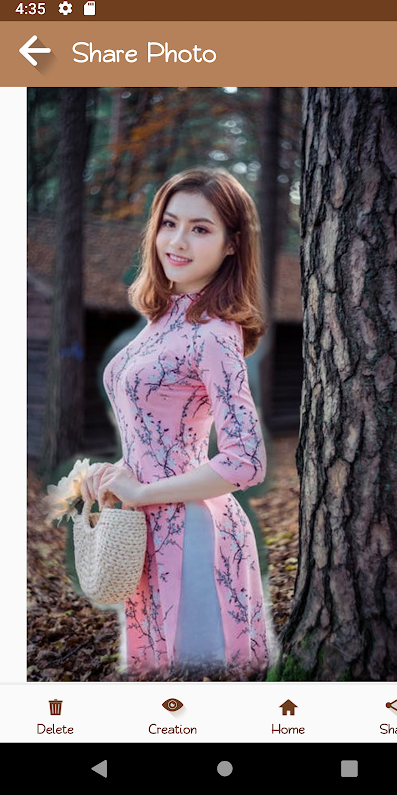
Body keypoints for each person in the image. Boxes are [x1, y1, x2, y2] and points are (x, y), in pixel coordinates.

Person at [82, 167, 270, 679]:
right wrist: (117, 472)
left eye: (200, 228)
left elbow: (246, 462)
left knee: (194, 688)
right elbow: (154, 432)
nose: (178, 241)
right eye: (169, 223)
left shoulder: (214, 333)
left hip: (191, 534)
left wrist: (143, 491)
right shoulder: (163, 320)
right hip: (144, 525)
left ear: (232, 244)